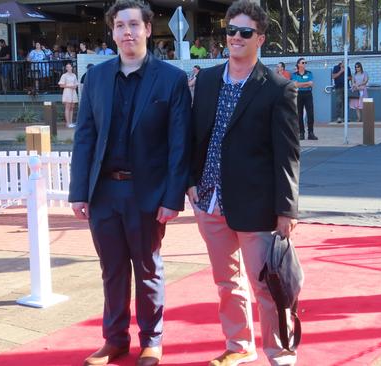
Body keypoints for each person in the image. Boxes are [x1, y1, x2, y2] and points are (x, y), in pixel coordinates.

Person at [68, 0, 191, 365]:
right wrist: (79, 192)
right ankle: (115, 339)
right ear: (113, 31)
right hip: (103, 192)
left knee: (148, 269)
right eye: (120, 26)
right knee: (112, 269)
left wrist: (172, 197)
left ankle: (152, 340)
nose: (127, 33)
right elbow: (84, 138)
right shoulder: (97, 78)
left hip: (148, 193)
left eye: (134, 25)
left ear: (148, 30)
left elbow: (179, 145)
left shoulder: (171, 80)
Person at [187, 1, 300, 365]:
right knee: (226, 284)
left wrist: (286, 210)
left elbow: (288, 155)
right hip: (209, 199)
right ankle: (239, 346)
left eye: (245, 32)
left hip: (257, 205)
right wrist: (190, 183)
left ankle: (279, 351)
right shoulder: (205, 80)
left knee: (266, 285)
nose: (236, 37)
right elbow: (194, 136)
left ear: (260, 39)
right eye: (231, 31)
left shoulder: (278, 89)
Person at [292, 57, 317, 140]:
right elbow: (295, 85)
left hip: (308, 94)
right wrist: (306, 83)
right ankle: (301, 133)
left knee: (310, 114)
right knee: (299, 114)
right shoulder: (295, 74)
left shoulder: (309, 73)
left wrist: (300, 84)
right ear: (298, 64)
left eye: (305, 63)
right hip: (299, 94)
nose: (304, 64)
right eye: (303, 63)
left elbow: (311, 84)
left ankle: (311, 133)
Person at [58, 63, 79, 128]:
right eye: (67, 67)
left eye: (70, 67)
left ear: (72, 67)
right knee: (67, 107)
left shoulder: (74, 75)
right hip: (67, 91)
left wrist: (75, 86)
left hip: (73, 92)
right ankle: (67, 123)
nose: (69, 68)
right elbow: (61, 85)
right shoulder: (64, 75)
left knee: (72, 107)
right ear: (66, 68)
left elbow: (76, 83)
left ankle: (71, 122)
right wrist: (70, 86)